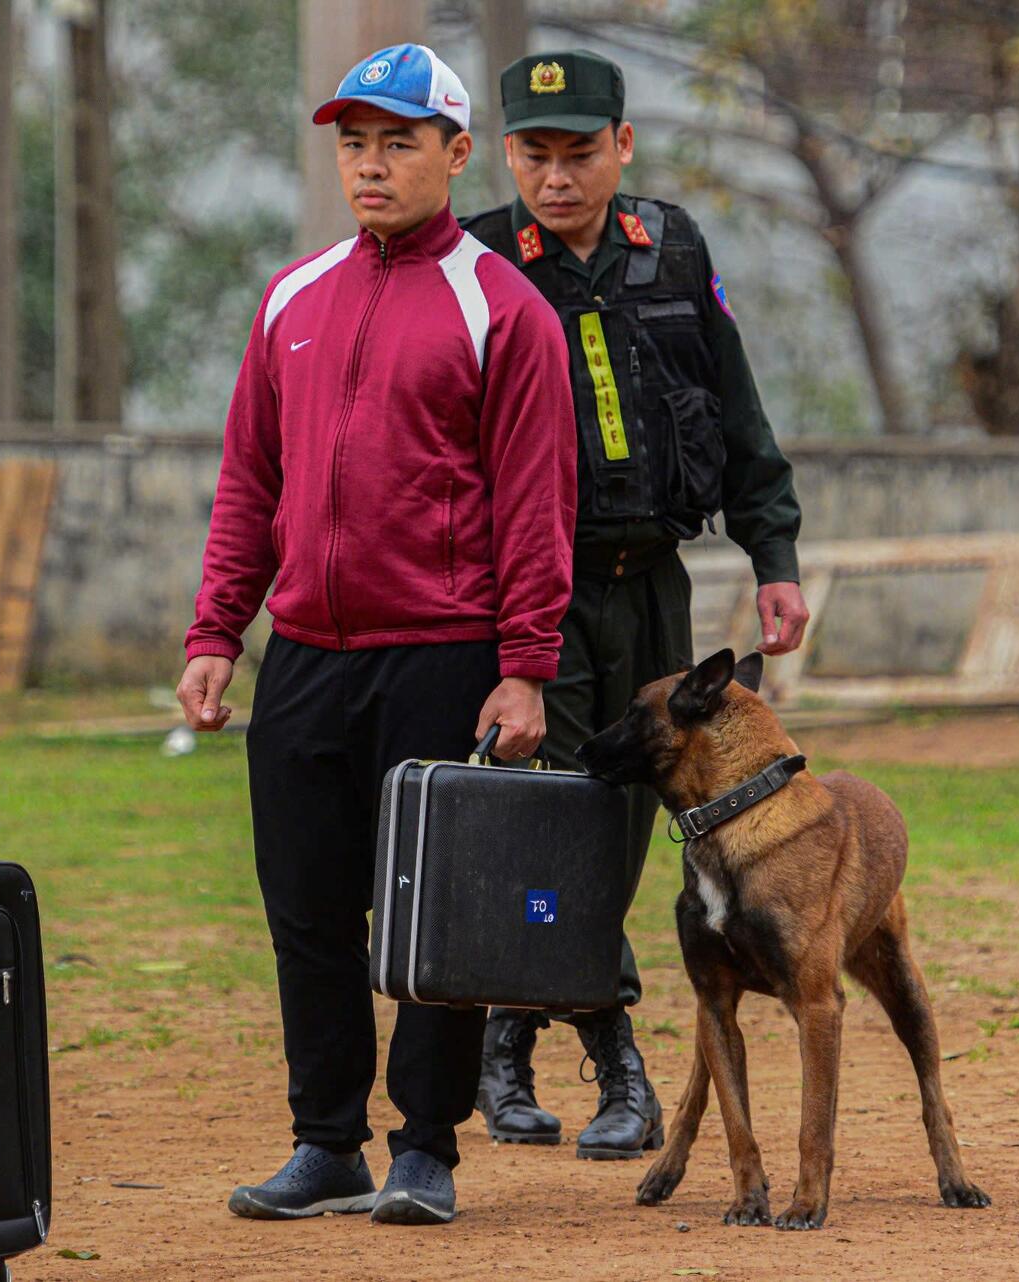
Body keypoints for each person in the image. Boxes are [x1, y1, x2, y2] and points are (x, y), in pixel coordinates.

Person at [176, 44, 576, 1226]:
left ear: (457, 154)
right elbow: (250, 480)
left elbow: (536, 501)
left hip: (444, 652)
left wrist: (524, 668)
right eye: (353, 141)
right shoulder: (293, 297)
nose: (371, 163)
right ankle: (325, 1142)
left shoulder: (505, 306)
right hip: (305, 656)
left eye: (399, 140)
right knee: (307, 908)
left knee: (433, 921)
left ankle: (428, 1147)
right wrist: (217, 629)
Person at [461, 50, 809, 1160]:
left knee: (633, 830)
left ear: (621, 146)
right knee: (549, 823)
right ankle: (587, 1060)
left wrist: (776, 555)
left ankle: (528, 1034)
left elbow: (738, 407)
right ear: (508, 155)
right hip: (539, 590)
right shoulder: (475, 260)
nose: (555, 178)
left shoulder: (674, 248)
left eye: (577, 153)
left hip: (655, 584)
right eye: (534, 155)